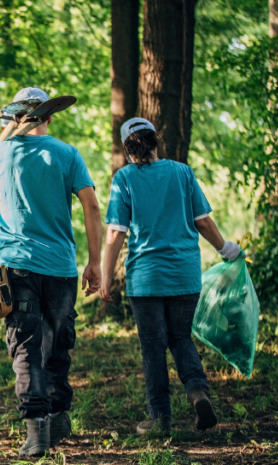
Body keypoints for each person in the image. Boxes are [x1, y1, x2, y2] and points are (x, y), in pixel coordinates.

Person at [0, 87, 103, 458]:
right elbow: (92, 207)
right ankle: (58, 414)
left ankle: (37, 432)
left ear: (14, 117)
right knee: (57, 344)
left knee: (26, 348)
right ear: (49, 116)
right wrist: (96, 261)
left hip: (16, 267)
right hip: (62, 268)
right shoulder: (68, 154)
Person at [100, 117, 237, 435]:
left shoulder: (124, 178)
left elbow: (116, 233)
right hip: (184, 275)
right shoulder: (182, 172)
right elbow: (203, 222)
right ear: (156, 141)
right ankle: (198, 393)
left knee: (152, 346)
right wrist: (225, 248)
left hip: (145, 279)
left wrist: (106, 275)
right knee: (181, 338)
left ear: (126, 148)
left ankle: (160, 418)